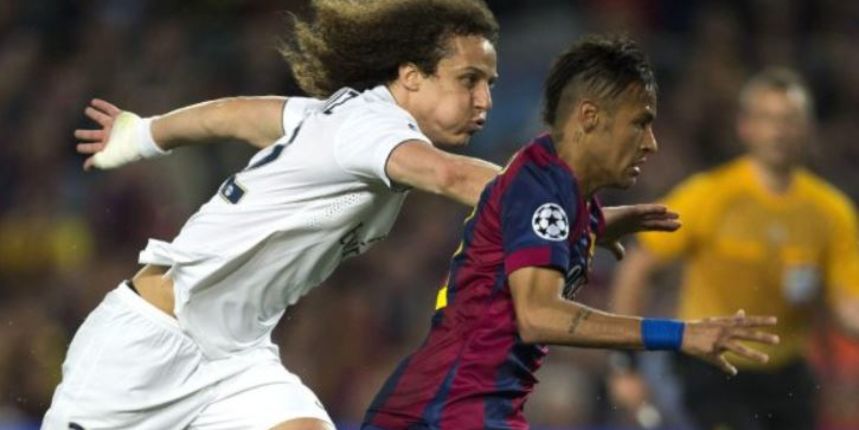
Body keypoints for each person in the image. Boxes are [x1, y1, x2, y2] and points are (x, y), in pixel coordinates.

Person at [44, 1, 674, 429]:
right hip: (146, 347)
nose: (484, 100)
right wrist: (571, 213)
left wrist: (145, 133)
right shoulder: (374, 129)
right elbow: (452, 178)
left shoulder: (341, 117)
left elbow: (238, 115)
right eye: (468, 80)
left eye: (489, 82)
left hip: (235, 359)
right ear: (412, 77)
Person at [361, 35, 779, 430]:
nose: (650, 143)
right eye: (640, 123)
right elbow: (538, 315)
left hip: (463, 407)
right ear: (590, 117)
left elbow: (525, 234)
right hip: (444, 410)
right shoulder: (541, 190)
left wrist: (598, 223)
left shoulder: (559, 188)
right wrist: (679, 333)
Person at [608, 68, 859, 430]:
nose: (778, 131)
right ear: (746, 127)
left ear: (808, 128)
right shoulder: (709, 195)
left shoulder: (831, 211)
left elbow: (847, 304)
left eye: (789, 119)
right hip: (712, 365)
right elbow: (637, 268)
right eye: (767, 119)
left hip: (786, 371)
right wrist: (624, 364)